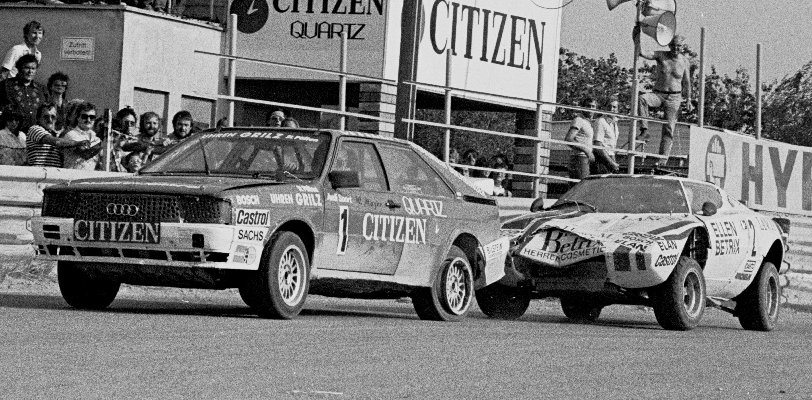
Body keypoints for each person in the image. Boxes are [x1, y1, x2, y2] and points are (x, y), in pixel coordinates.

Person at [634, 32, 693, 166]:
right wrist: (637, 37)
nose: (675, 49)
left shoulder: (684, 61)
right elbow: (643, 52)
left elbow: (687, 82)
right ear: (669, 45)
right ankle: (644, 129)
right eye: (673, 46)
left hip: (675, 97)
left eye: (678, 46)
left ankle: (661, 160)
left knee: (669, 129)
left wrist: (688, 99)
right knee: (642, 99)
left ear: (682, 47)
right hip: (659, 94)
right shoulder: (661, 55)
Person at [26, 103, 88, 167]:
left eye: (53, 117)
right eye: (46, 117)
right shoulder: (34, 129)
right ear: (38, 118)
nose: (50, 120)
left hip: (54, 174)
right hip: (38, 174)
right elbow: (56, 142)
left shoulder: (56, 134)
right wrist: (77, 143)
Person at [0, 54, 46, 133]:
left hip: (36, 134)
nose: (30, 71)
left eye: (33, 68)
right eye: (27, 68)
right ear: (19, 68)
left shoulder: (41, 89)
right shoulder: (6, 85)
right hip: (12, 133)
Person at [62, 102, 102, 170]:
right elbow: (86, 154)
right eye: (84, 117)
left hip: (89, 178)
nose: (88, 120)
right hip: (72, 177)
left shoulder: (96, 139)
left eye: (92, 117)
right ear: (78, 118)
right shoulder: (71, 135)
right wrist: (104, 143)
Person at [564, 97, 597, 180]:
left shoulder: (589, 123)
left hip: (586, 158)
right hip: (579, 158)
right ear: (583, 107)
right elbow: (569, 139)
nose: (590, 109)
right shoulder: (579, 120)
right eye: (588, 106)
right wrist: (586, 151)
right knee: (581, 186)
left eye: (593, 106)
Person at [592, 96, 621, 174]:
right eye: (609, 106)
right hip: (601, 159)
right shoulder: (600, 121)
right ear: (605, 108)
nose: (611, 109)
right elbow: (598, 145)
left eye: (614, 107)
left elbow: (612, 147)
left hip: (610, 158)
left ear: (617, 110)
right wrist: (611, 162)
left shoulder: (614, 124)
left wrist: (614, 162)